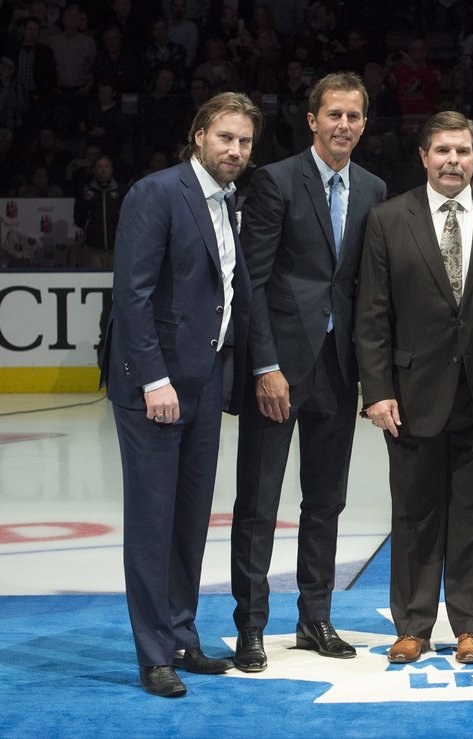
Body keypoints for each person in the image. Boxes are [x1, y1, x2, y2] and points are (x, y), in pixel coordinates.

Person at [100, 91, 262, 697]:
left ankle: (182, 634)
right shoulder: (157, 192)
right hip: (156, 390)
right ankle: (153, 654)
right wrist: (153, 379)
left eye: (244, 141)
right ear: (199, 135)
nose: (235, 150)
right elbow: (133, 295)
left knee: (190, 522)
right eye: (225, 137)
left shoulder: (227, 202)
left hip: (203, 385)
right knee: (151, 523)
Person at [356, 111, 473, 665]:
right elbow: (373, 312)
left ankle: (471, 626)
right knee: (414, 512)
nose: (452, 160)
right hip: (409, 394)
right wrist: (377, 388)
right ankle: (412, 624)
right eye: (442, 151)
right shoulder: (387, 219)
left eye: (462, 151)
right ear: (424, 157)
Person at [230, 72, 387, 672]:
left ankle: (315, 618)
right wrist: (266, 365)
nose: (344, 125)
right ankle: (251, 626)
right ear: (313, 121)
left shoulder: (373, 188)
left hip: (339, 369)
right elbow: (256, 281)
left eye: (354, 116)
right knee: (260, 500)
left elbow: (367, 291)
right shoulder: (274, 181)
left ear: (364, 124)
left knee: (326, 501)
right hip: (280, 370)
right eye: (334, 115)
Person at [74, 154, 123, 269]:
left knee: (116, 284)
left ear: (111, 170)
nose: (103, 169)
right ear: (94, 170)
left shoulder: (122, 191)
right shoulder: (85, 192)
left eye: (107, 166)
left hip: (116, 249)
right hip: (93, 249)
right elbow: (78, 218)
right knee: (93, 284)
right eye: (100, 166)